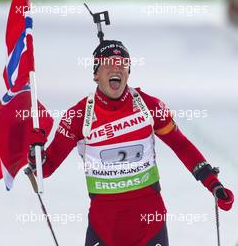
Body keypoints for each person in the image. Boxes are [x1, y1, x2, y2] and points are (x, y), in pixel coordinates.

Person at [28, 40, 234, 246]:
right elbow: (44, 169)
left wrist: (212, 183)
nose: (116, 67)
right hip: (105, 227)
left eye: (122, 63)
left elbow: (181, 145)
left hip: (150, 224)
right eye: (108, 62)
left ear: (128, 72)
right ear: (95, 74)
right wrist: (34, 152)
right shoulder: (78, 115)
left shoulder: (149, 106)